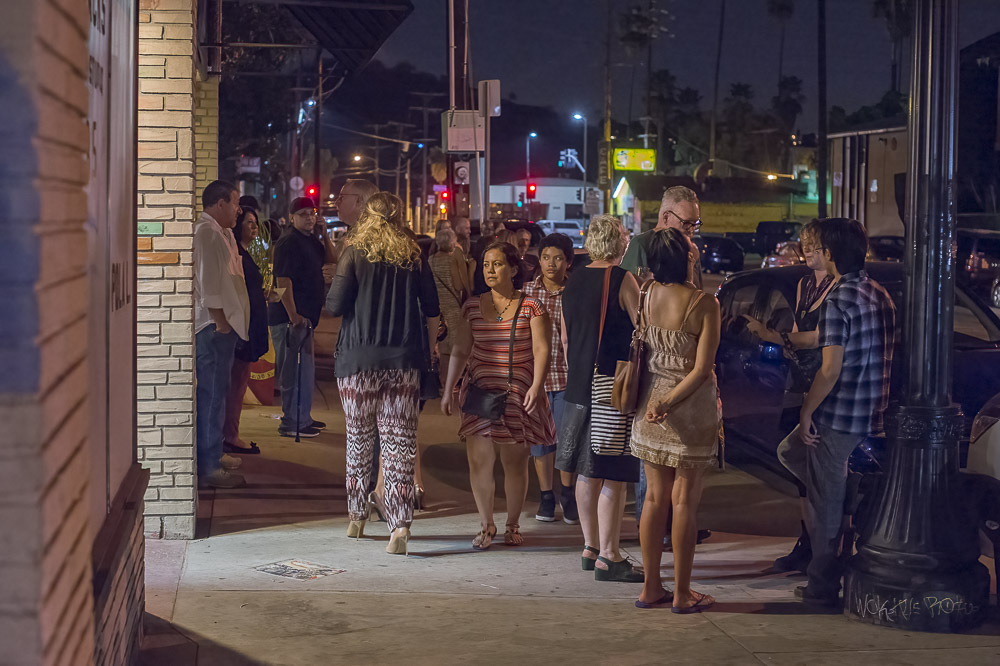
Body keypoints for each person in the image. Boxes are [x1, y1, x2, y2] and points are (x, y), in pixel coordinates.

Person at [778, 218, 895, 606]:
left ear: (829, 254)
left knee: (824, 505)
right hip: (871, 407)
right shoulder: (879, 293)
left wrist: (807, 411)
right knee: (790, 453)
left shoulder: (837, 300)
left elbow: (829, 370)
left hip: (839, 413)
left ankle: (822, 586)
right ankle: (845, 491)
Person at [326, 192, 440, 555]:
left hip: (358, 361)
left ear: (367, 216)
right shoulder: (413, 256)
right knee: (400, 444)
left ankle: (356, 516)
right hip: (403, 360)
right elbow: (432, 309)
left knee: (359, 439)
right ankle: (400, 527)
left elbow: (334, 305)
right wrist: (431, 349)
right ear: (399, 217)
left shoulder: (354, 252)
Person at [442, 241, 555, 550]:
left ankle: (512, 525)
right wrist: (449, 388)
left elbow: (542, 350)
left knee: (514, 464)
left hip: (517, 396)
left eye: (497, 264)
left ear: (513, 269)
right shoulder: (472, 307)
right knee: (479, 462)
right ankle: (486, 524)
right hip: (480, 394)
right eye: (486, 264)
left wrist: (537, 386)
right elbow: (461, 349)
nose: (490, 270)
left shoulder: (532, 307)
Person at [632, 229, 721, 613]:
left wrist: (658, 402)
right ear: (685, 258)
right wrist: (669, 402)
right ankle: (683, 594)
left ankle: (651, 587)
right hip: (689, 409)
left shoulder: (647, 293)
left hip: (649, 405)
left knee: (654, 498)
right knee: (684, 502)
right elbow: (701, 369)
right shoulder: (704, 303)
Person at [742, 219, 837, 572]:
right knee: (800, 473)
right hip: (797, 381)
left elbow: (819, 337)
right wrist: (784, 342)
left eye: (812, 245)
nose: (806, 251)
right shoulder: (804, 284)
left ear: (829, 250)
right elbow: (799, 330)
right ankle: (808, 542)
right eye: (803, 245)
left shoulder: (839, 288)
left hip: (823, 382)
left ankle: (825, 549)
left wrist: (774, 336)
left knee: (820, 467)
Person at [556, 215, 644, 583]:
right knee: (612, 471)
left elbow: (565, 338)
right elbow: (642, 329)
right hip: (610, 383)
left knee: (585, 469)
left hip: (578, 384)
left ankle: (590, 547)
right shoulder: (622, 279)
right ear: (619, 242)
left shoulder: (573, 281)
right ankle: (611, 554)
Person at [194, 180, 250, 489]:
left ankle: (214, 453)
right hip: (213, 328)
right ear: (219, 204)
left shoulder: (222, 233)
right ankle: (209, 465)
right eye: (235, 204)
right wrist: (221, 322)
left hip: (223, 327)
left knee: (218, 393)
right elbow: (208, 285)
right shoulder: (206, 233)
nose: (239, 211)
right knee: (212, 395)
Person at [268, 196, 336, 438]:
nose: (310, 218)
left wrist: (325, 235)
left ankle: (302, 418)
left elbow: (332, 261)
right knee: (293, 372)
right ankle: (291, 422)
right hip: (289, 319)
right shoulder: (288, 242)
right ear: (292, 218)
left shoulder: (311, 240)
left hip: (305, 319)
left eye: (312, 213)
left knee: (305, 373)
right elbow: (283, 279)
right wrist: (293, 314)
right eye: (304, 214)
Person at [522, 233, 579, 524]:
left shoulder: (575, 292)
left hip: (568, 378)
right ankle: (546, 497)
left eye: (557, 258)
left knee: (568, 440)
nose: (551, 264)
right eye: (545, 257)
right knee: (540, 442)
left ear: (568, 262)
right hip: (537, 381)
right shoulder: (527, 292)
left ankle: (568, 494)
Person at [223, 207, 270, 456]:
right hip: (242, 327)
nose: (254, 226)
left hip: (250, 323)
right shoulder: (235, 252)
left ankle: (231, 433)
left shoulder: (244, 252)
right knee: (236, 383)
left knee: (239, 382)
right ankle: (230, 436)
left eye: (255, 222)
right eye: (249, 222)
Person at [621, 185, 703, 289]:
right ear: (666, 217)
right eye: (686, 223)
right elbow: (628, 291)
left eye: (695, 223)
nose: (692, 229)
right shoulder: (641, 245)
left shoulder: (692, 250)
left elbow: (698, 293)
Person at [429, 227, 473, 383]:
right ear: (452, 243)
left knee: (442, 348)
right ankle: (452, 383)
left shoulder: (431, 260)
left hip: (437, 309)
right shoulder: (451, 260)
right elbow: (458, 285)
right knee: (453, 349)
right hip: (452, 308)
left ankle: (442, 381)